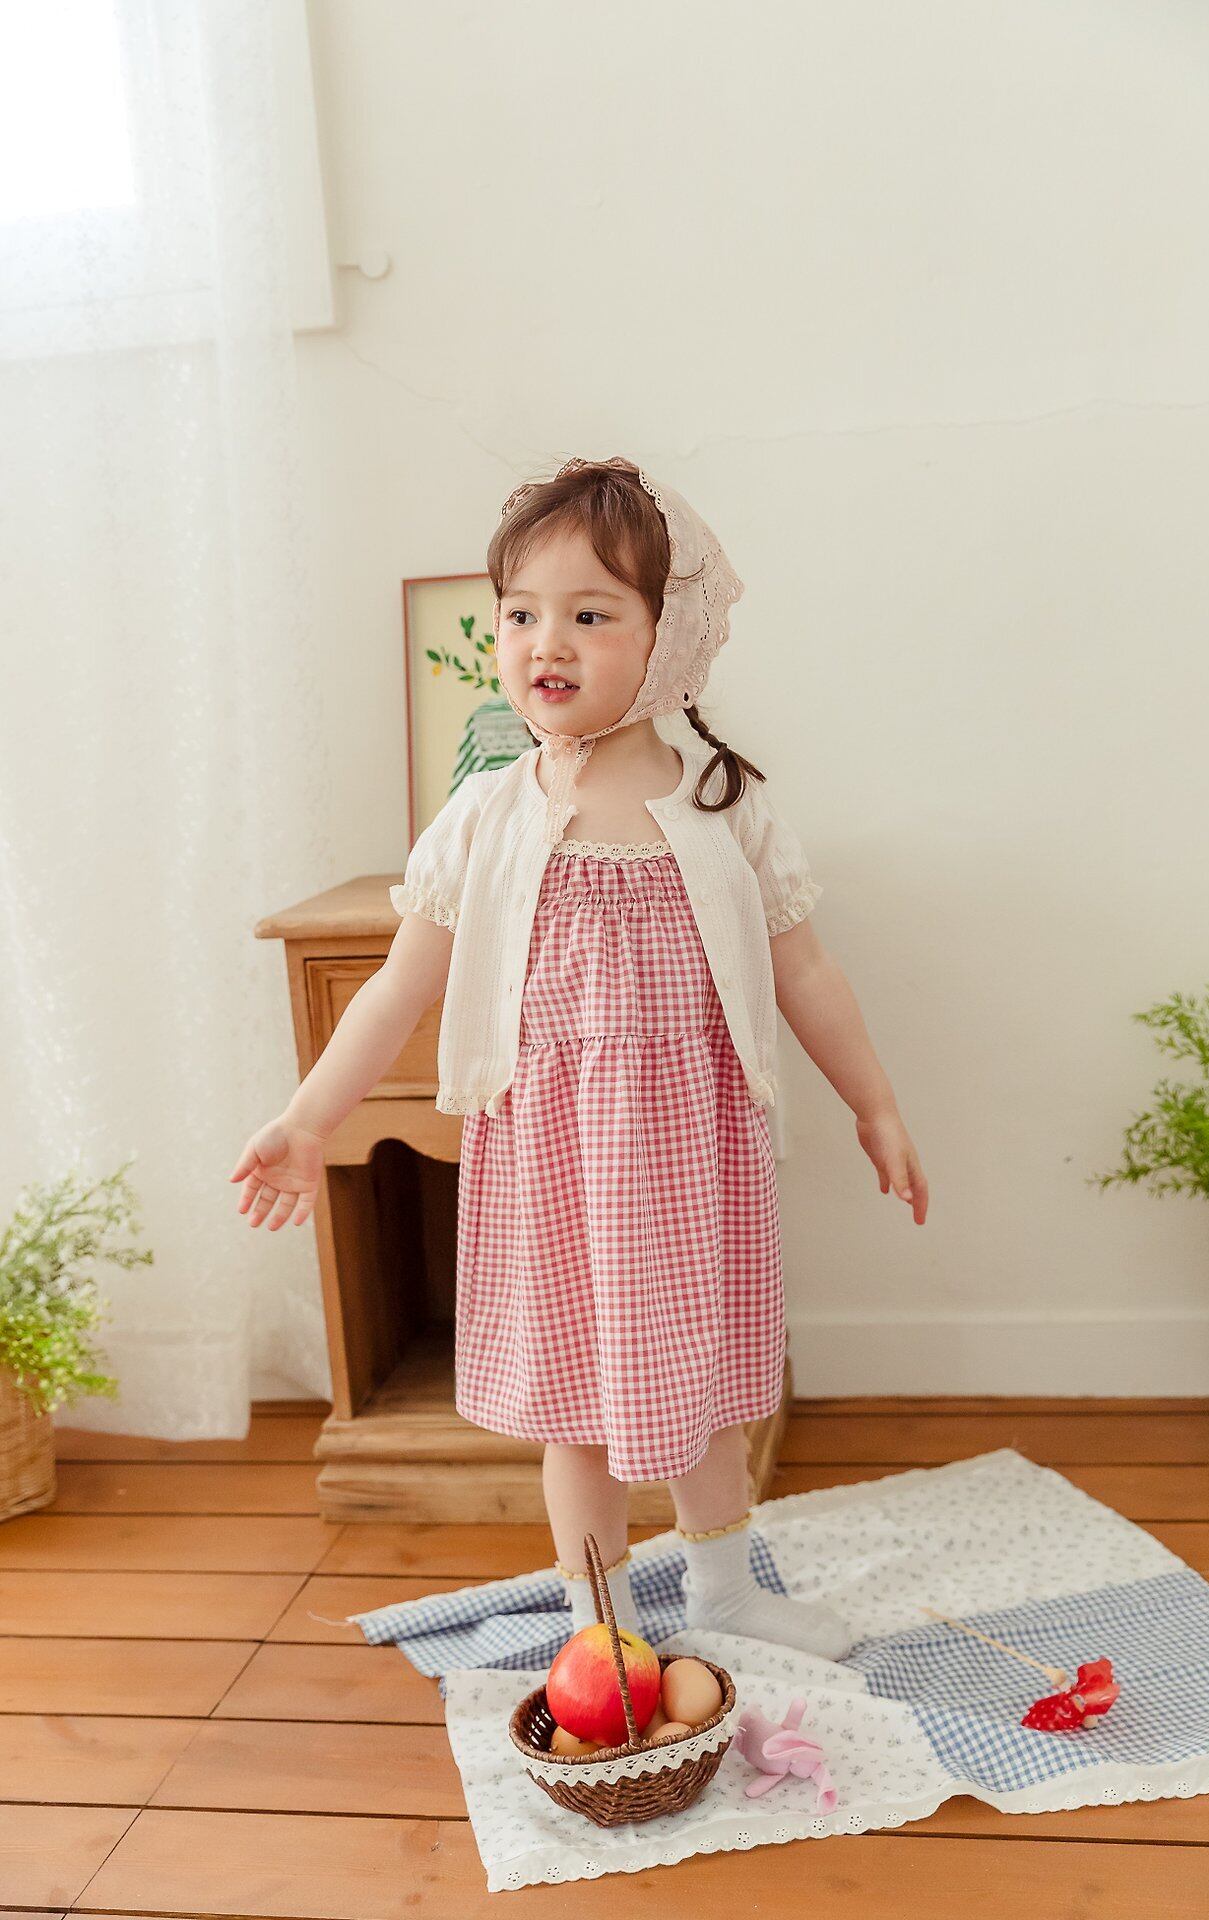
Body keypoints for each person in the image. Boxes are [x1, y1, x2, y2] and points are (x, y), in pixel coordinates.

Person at [229, 456, 928, 1664]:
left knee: (702, 1383)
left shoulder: (722, 804)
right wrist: (306, 1119)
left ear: (668, 639)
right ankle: (598, 1623)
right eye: (519, 614)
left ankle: (722, 1588)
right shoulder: (488, 817)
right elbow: (399, 985)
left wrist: (875, 1105)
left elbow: (805, 971)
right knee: (579, 1407)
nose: (544, 642)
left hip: (688, 1155)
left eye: (590, 615)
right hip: (553, 1162)